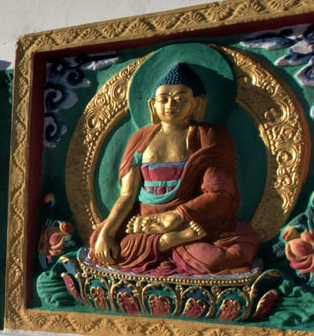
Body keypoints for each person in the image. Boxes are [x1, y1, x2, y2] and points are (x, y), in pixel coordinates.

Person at [88, 62, 259, 274]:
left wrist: (176, 216)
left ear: (197, 103)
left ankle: (169, 242)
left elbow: (221, 194)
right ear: (152, 105)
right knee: (99, 245)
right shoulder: (141, 138)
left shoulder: (209, 135)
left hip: (191, 223)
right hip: (145, 223)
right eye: (164, 99)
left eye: (180, 98)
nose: (171, 104)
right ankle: (167, 242)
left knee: (228, 255)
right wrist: (107, 232)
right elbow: (127, 196)